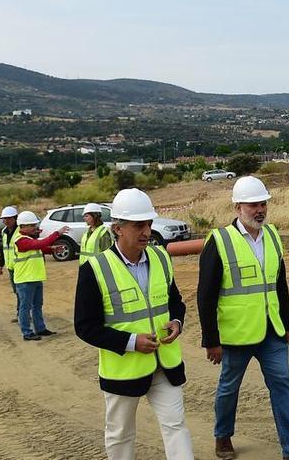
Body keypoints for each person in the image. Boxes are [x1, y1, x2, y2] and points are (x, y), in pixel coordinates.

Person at [197, 176, 289, 460]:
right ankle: (223, 436)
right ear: (238, 207)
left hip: (272, 331)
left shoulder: (273, 236)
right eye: (253, 204)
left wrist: (288, 324)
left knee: (282, 385)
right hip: (237, 333)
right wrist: (211, 340)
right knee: (229, 388)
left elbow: (278, 286)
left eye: (263, 203)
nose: (259, 209)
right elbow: (205, 295)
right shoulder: (219, 241)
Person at [74, 188, 193, 459]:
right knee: (120, 435)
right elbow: (85, 326)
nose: (146, 231)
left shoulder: (161, 257)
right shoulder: (95, 269)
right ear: (117, 228)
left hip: (166, 365)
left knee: (176, 426)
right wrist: (131, 342)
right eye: (138, 225)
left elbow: (175, 300)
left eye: (149, 224)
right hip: (123, 371)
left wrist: (176, 320)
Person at [12, 210, 68, 341]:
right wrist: (56, 234)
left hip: (35, 278)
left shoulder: (29, 240)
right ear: (23, 226)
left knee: (37, 305)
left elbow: (39, 248)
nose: (34, 228)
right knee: (25, 308)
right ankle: (27, 332)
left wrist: (52, 249)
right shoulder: (21, 241)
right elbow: (39, 244)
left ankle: (40, 328)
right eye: (32, 225)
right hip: (25, 280)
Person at [0, 206, 19, 323]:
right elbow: (4, 250)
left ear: (15, 218)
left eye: (8, 218)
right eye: (4, 219)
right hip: (11, 267)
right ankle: (22, 313)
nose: (6, 221)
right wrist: (1, 265)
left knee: (22, 292)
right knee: (17, 292)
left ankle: (22, 314)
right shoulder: (4, 232)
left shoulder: (20, 231)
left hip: (21, 267)